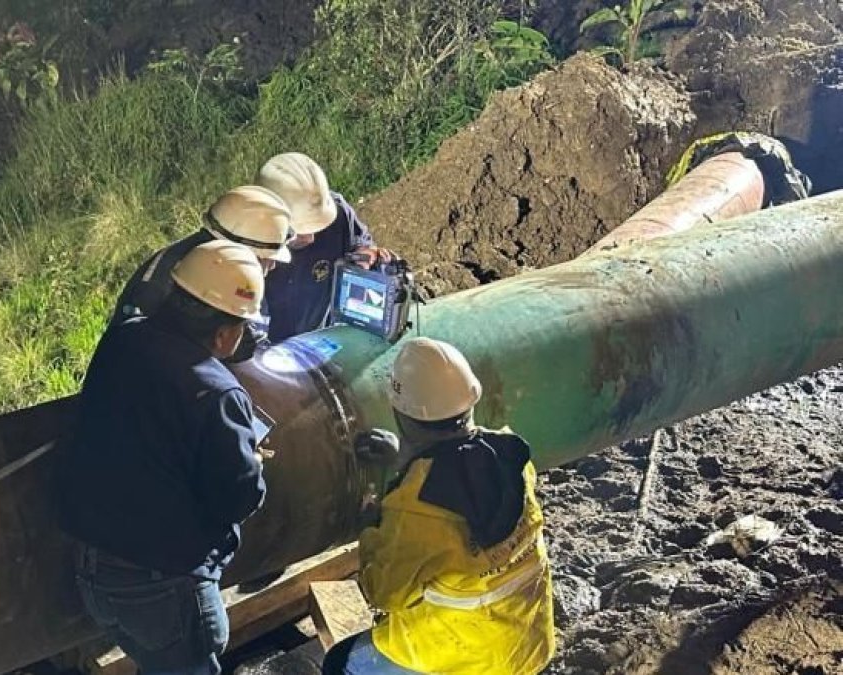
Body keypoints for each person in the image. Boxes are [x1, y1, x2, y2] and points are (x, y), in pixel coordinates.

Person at [57, 240, 270, 675]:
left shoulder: (124, 339)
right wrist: (253, 462)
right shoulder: (217, 392)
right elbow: (238, 497)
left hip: (92, 570)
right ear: (225, 333)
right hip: (162, 585)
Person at [322, 338, 556, 675]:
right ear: (470, 400)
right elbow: (461, 467)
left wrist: (372, 525)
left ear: (400, 413)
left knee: (340, 663)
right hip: (528, 642)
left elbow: (382, 594)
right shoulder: (511, 456)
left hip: (463, 657)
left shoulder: (415, 512)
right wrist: (409, 457)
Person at [254, 153, 392, 342]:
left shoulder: (338, 213)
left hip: (321, 340)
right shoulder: (246, 249)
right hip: (271, 349)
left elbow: (361, 244)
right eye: (300, 230)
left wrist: (364, 256)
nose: (311, 238)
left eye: (317, 227)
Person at [110, 185, 293, 328]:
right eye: (266, 258)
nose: (272, 266)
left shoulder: (209, 264)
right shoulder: (167, 280)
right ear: (241, 249)